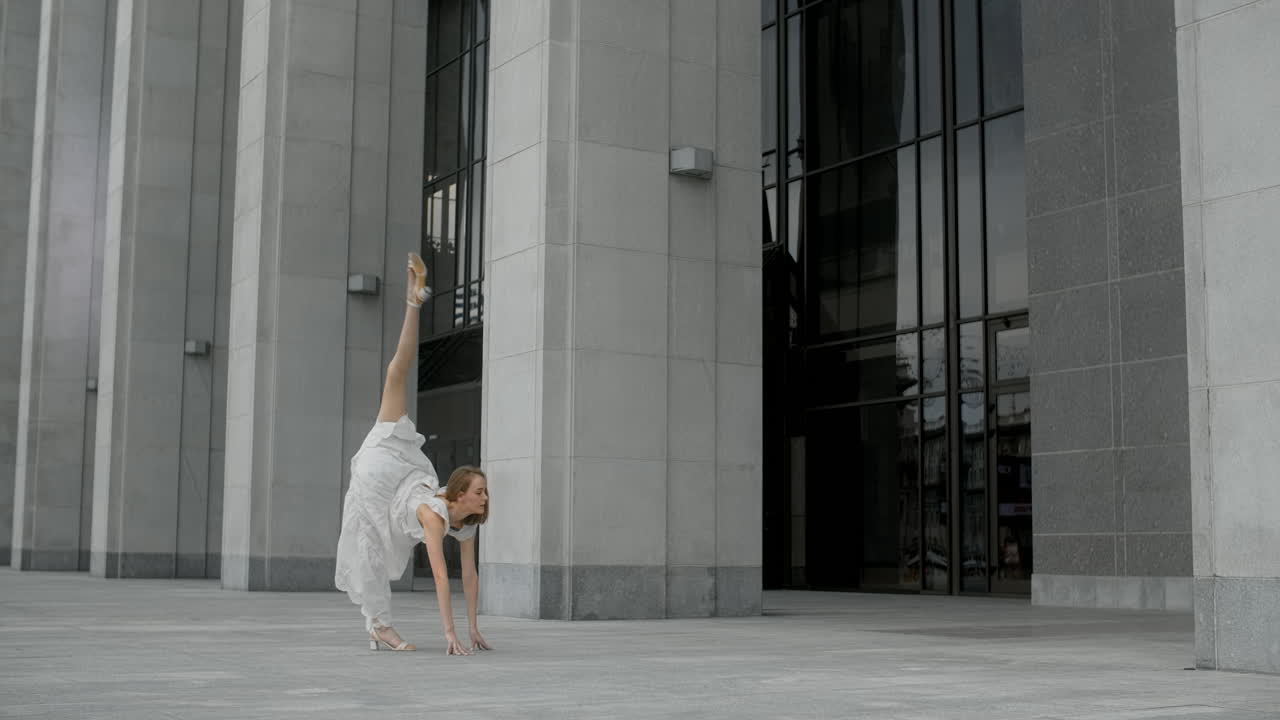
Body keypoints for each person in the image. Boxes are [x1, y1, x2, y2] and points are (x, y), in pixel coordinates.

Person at [334, 252, 492, 656]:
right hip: (383, 468)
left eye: (484, 492)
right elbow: (442, 577)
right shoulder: (434, 518)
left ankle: (378, 627)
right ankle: (413, 301)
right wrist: (450, 635)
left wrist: (473, 628)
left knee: (370, 555)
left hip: (400, 481)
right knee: (395, 374)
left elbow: (469, 577)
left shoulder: (466, 523)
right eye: (479, 492)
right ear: (457, 494)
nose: (485, 498)